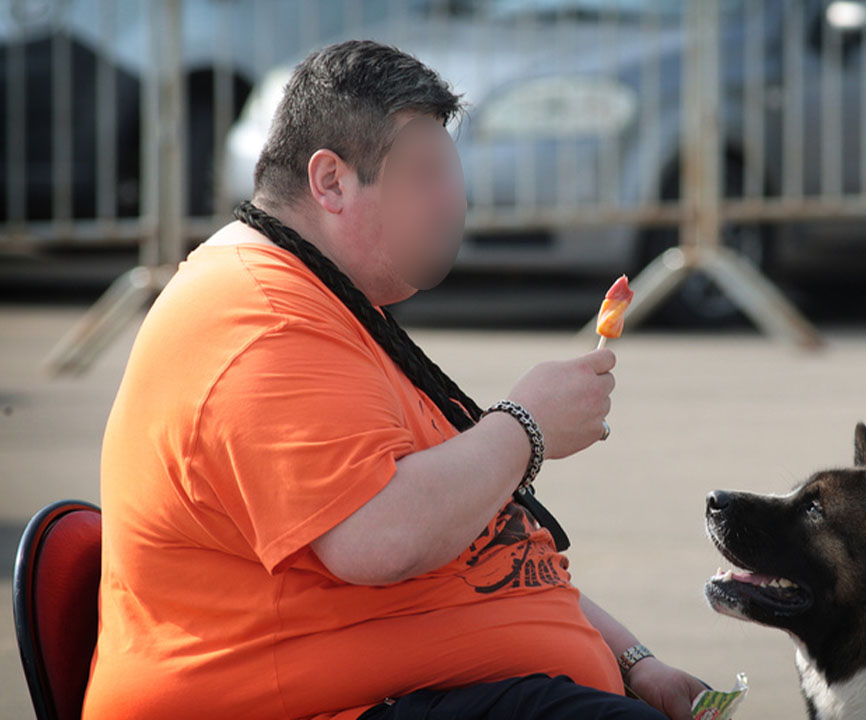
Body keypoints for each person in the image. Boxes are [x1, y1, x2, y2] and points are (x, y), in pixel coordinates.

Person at [81, 40, 708, 720]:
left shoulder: (325, 300)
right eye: (425, 175)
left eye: (450, 171)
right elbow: (378, 539)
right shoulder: (260, 320)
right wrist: (526, 426)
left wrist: (633, 662)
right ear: (331, 183)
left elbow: (485, 547)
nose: (454, 200)